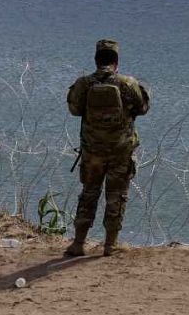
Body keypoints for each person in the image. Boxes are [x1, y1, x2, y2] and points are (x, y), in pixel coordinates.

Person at [64, 39, 150, 257]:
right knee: (117, 195)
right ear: (116, 61)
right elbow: (143, 108)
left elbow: (74, 109)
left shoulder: (84, 84)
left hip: (92, 151)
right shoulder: (127, 84)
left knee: (89, 194)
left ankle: (78, 243)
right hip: (120, 151)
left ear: (96, 60)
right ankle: (110, 244)